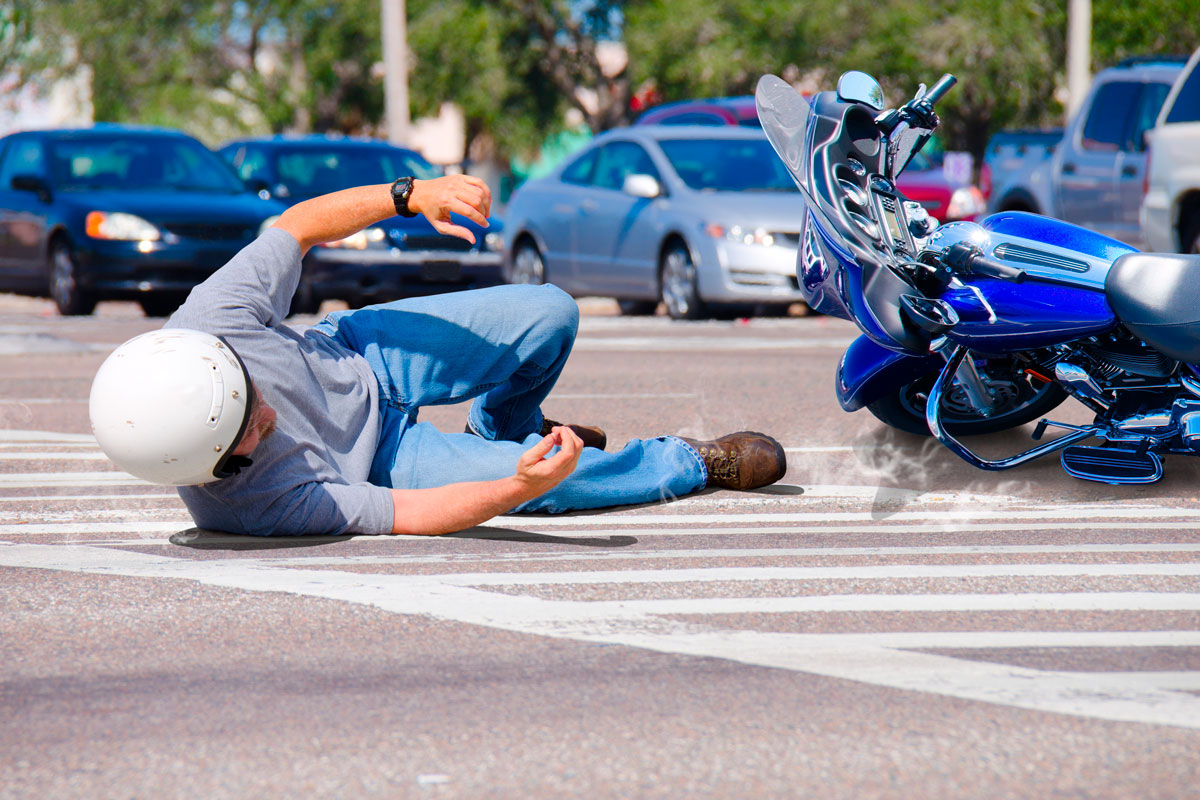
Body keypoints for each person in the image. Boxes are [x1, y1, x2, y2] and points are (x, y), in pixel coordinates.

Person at [88, 175, 787, 536]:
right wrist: (515, 490)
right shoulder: (250, 508)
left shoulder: (207, 321)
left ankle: (505, 427)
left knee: (550, 312)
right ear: (215, 470)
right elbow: (413, 515)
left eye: (249, 395)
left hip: (362, 355)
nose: (266, 416)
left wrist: (412, 194)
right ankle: (694, 461)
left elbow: (296, 226)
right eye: (247, 438)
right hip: (383, 461)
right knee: (554, 486)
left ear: (218, 363)